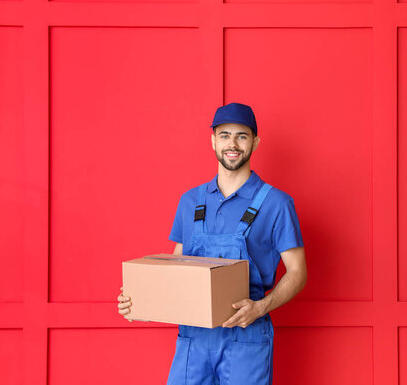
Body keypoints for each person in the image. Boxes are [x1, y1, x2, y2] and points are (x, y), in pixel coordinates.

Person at [117, 102, 307, 385]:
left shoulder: (277, 203)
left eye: (242, 135)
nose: (233, 143)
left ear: (255, 142)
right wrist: (141, 299)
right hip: (194, 338)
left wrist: (261, 307)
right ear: (213, 141)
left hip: (246, 337)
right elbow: (176, 267)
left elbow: (298, 272)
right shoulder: (190, 201)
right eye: (224, 135)